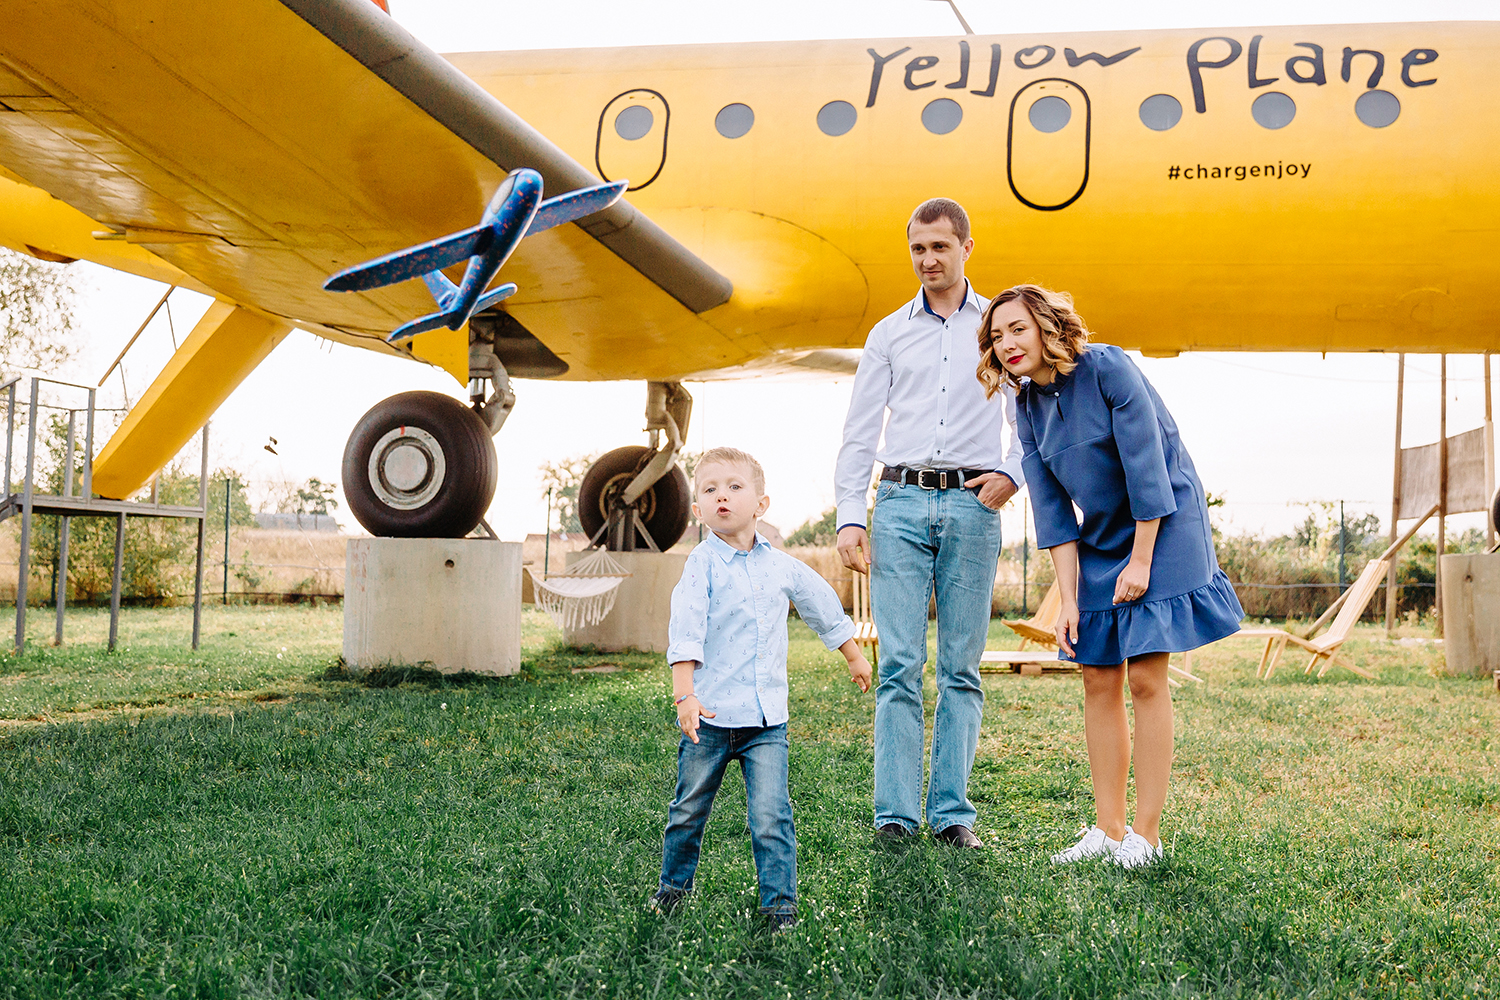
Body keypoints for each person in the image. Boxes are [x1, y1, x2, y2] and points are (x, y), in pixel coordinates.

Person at [975, 284, 1243, 868]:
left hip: (1163, 524)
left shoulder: (1108, 368)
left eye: (1018, 328)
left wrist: (1141, 561)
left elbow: (1148, 466)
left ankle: (1146, 835)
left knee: (1144, 677)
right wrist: (1069, 601)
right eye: (997, 336)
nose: (1008, 343)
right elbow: (1051, 511)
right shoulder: (1026, 406)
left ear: (1047, 327)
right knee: (1097, 677)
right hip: (1100, 534)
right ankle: (1108, 828)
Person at [834, 198, 1025, 848]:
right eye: (918, 248)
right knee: (899, 666)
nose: (928, 259)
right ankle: (895, 815)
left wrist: (1012, 474)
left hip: (974, 505)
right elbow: (860, 431)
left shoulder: (1000, 328)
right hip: (900, 503)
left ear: (966, 248)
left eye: (940, 246)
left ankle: (951, 816)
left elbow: (1031, 419)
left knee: (961, 668)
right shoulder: (889, 334)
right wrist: (849, 517)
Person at [652, 447, 872, 929]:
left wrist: (853, 654)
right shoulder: (701, 565)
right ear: (698, 510)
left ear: (761, 504)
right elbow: (686, 629)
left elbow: (819, 603)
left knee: (772, 817)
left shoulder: (781, 566)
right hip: (708, 720)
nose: (722, 496)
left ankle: (780, 907)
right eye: (710, 489)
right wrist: (684, 694)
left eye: (734, 487)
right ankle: (672, 890)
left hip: (766, 723)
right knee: (688, 811)